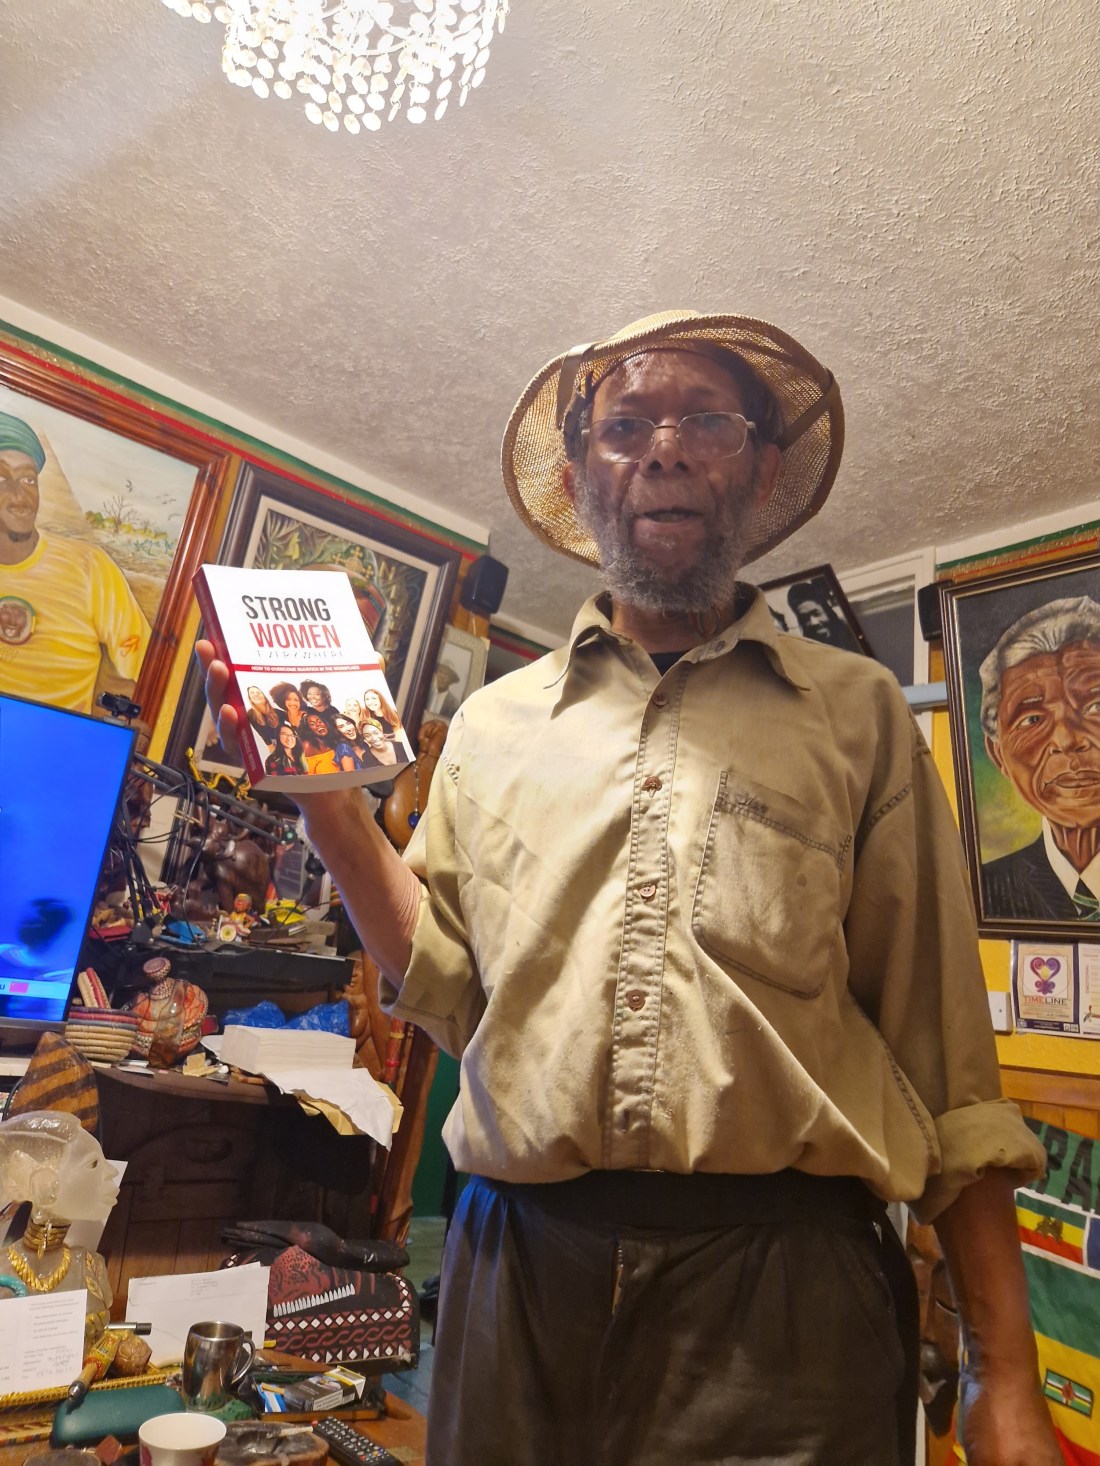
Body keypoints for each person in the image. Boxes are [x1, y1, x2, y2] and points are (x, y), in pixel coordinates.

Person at [197, 310, 1057, 1466]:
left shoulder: (858, 717)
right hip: (516, 1278)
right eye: (625, 425)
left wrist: (1004, 1372)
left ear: (759, 468)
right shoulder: (491, 726)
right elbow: (452, 992)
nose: (664, 449)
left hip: (788, 1298)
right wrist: (333, 811)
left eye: (707, 420)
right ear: (578, 477)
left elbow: (946, 1064)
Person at [0, 411, 151, 714]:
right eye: (2, 479)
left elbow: (148, 667)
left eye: (29, 479)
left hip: (59, 742)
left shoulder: (89, 567)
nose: (20, 497)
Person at [979, 596, 1100, 921]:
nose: (1067, 740)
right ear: (998, 755)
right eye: (1032, 719)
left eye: (1096, 707)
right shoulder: (984, 892)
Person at [786, 577, 862, 651]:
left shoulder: (854, 636)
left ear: (827, 612)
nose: (813, 622)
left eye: (817, 613)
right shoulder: (805, 652)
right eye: (805, 618)